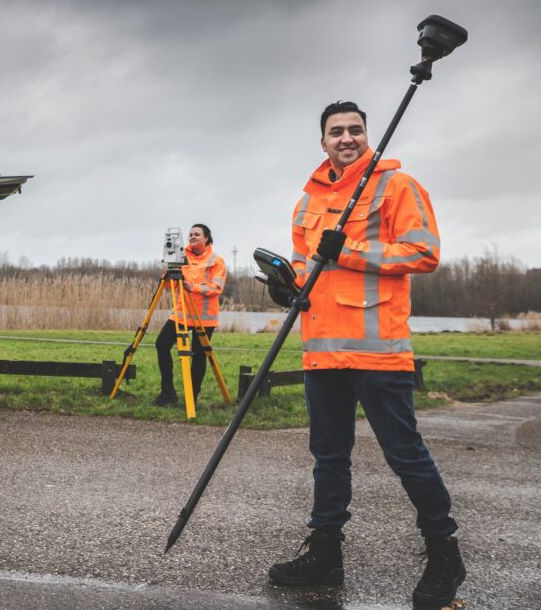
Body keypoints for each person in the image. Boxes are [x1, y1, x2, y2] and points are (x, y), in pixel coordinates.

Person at [268, 101, 464, 608]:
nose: (347, 138)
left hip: (378, 354)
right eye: (337, 131)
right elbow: (302, 260)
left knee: (406, 456)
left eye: (355, 130)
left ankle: (445, 554)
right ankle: (326, 551)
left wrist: (349, 250)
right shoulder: (308, 198)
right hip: (321, 352)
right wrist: (287, 284)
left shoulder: (396, 186)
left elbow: (425, 253)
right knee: (327, 458)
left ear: (367, 135)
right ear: (323, 141)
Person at [152, 224, 226, 407]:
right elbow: (171, 287)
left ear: (206, 238)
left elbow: (217, 288)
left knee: (199, 356)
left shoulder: (217, 261)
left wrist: (193, 287)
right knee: (161, 344)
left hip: (204, 317)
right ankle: (168, 392)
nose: (192, 237)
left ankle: (192, 396)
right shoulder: (180, 257)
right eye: (191, 234)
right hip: (181, 314)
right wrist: (168, 276)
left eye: (197, 234)